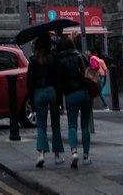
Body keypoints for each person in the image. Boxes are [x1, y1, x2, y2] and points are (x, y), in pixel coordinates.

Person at [25, 31, 64, 166]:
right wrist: (60, 102)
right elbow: (59, 80)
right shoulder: (53, 58)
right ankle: (57, 155)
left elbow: (29, 82)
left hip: (39, 92)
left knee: (41, 125)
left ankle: (41, 154)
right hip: (52, 91)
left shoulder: (33, 60)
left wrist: (32, 98)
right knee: (55, 125)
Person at [57, 31, 93, 167]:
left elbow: (59, 83)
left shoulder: (60, 61)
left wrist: (60, 103)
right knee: (85, 126)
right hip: (85, 93)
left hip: (71, 95)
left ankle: (74, 152)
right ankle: (86, 155)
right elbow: (90, 71)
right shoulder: (81, 56)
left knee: (72, 125)